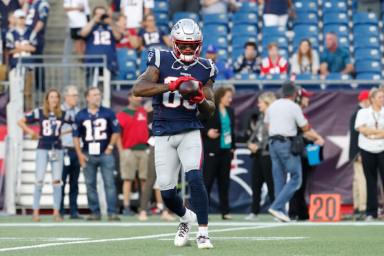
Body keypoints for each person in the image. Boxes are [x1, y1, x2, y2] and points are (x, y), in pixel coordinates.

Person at [133, 19, 216, 249]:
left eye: (192, 45)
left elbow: (210, 109)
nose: (188, 49)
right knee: (168, 192)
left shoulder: (206, 67)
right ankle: (184, 218)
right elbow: (138, 89)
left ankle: (203, 233)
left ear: (199, 44)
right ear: (174, 42)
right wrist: (171, 86)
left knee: (195, 178)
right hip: (163, 131)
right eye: (183, 45)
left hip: (190, 130)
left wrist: (200, 99)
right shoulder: (160, 59)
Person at [18, 89, 71, 222]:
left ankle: (56, 212)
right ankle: (35, 212)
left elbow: (76, 125)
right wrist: (31, 133)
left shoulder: (63, 114)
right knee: (39, 180)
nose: (53, 99)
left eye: (56, 97)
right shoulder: (39, 111)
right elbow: (21, 121)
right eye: (51, 97)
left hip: (57, 148)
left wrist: (62, 134)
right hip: (42, 148)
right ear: (47, 99)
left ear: (59, 99)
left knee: (57, 181)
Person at [264, 81, 310, 222]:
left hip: (272, 142)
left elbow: (267, 124)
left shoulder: (273, 105)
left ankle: (281, 213)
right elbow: (305, 127)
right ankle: (277, 207)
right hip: (285, 143)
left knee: (279, 179)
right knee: (296, 177)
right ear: (294, 94)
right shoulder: (294, 106)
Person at [73, 87, 120, 221]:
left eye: (98, 94)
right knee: (90, 184)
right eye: (94, 95)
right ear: (87, 97)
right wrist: (79, 154)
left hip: (105, 153)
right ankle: (95, 212)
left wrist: (110, 147)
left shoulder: (108, 113)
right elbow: (75, 136)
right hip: (88, 153)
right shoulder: (80, 115)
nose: (97, 97)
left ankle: (112, 212)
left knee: (109, 183)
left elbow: (116, 131)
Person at [200, 86, 235, 220]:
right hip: (212, 151)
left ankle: (225, 212)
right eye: (228, 97)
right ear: (221, 97)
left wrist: (233, 147)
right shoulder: (210, 109)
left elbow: (231, 130)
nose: (230, 100)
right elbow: (198, 123)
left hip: (226, 151)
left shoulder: (230, 110)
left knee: (224, 183)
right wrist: (207, 132)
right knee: (207, 182)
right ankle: (202, 210)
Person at [288, 87, 324, 221]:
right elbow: (306, 130)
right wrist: (318, 137)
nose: (308, 99)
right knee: (297, 181)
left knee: (301, 182)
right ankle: (294, 211)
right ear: (298, 97)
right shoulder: (295, 110)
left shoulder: (299, 111)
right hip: (296, 151)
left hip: (302, 150)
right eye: (305, 96)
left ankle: (301, 212)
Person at [116, 91, 149, 219]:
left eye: (140, 96)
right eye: (136, 96)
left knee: (144, 179)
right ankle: (126, 206)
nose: (139, 98)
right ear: (129, 98)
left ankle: (144, 207)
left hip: (143, 149)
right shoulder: (122, 114)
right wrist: (121, 150)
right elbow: (117, 134)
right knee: (128, 179)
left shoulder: (144, 112)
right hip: (128, 149)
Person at [245, 92, 276, 221]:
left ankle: (276, 209)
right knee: (255, 184)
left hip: (268, 154)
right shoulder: (261, 116)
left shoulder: (274, 117)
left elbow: (271, 135)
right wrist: (250, 143)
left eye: (260, 102)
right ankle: (254, 211)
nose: (258, 105)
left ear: (267, 103)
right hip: (257, 154)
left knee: (271, 184)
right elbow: (255, 134)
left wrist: (259, 146)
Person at [355, 88, 384, 220]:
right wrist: (377, 133)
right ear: (372, 99)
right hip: (366, 148)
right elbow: (361, 129)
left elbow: (367, 130)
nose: (382, 100)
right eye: (380, 97)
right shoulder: (363, 112)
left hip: (382, 148)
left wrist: (371, 133)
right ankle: (371, 212)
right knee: (370, 181)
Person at [5, 9, 36, 111]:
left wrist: (19, 47)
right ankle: (17, 112)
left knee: (28, 91)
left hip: (28, 65)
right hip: (15, 66)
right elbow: (10, 50)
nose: (21, 20)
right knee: (16, 91)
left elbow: (34, 48)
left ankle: (28, 112)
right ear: (16, 19)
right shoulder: (11, 33)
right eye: (19, 18)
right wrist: (25, 47)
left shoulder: (30, 32)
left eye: (23, 18)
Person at [80, 6, 121, 78]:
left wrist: (111, 23)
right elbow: (83, 33)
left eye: (102, 14)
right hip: (92, 62)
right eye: (98, 14)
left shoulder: (111, 26)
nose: (101, 17)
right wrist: (93, 20)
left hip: (109, 62)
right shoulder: (91, 26)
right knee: (91, 87)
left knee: (109, 87)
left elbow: (118, 37)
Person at [59, 86, 81, 219]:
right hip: (62, 149)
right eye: (73, 95)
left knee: (74, 183)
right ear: (66, 97)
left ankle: (73, 211)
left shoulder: (79, 112)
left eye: (76, 95)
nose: (75, 98)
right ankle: (60, 210)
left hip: (75, 150)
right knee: (61, 182)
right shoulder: (59, 112)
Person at [349, 90, 370, 220]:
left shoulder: (356, 112)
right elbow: (357, 135)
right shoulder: (360, 113)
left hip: (355, 152)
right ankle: (363, 207)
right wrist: (360, 153)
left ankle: (357, 206)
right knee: (362, 180)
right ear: (365, 100)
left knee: (357, 180)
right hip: (359, 151)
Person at [25, 0, 49, 92]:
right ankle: (29, 86)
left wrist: (34, 32)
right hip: (26, 35)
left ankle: (40, 86)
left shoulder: (43, 4)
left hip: (36, 37)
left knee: (37, 60)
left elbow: (42, 20)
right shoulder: (30, 3)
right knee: (28, 62)